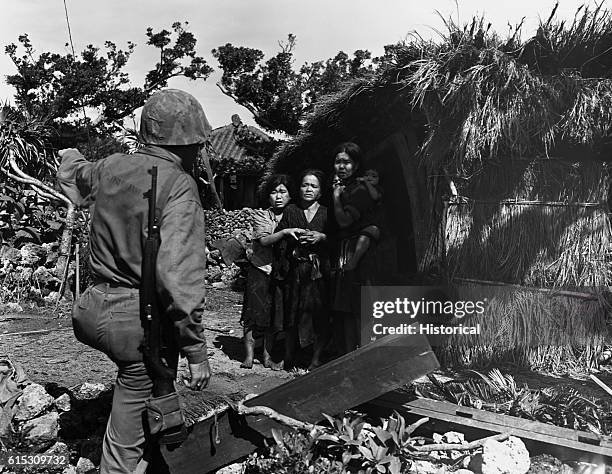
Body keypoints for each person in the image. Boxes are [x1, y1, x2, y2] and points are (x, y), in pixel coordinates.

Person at [57, 89, 212, 474]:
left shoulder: (110, 165)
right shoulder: (179, 186)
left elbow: (75, 171)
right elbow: (178, 277)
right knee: (132, 419)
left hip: (92, 308)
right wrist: (196, 351)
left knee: (145, 389)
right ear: (190, 143)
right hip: (135, 322)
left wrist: (70, 155)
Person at [240, 174, 298, 370]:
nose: (278, 196)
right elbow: (264, 240)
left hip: (281, 272)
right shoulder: (262, 216)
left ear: (290, 195)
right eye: (274, 192)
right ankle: (248, 355)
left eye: (283, 192)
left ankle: (266, 354)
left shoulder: (293, 214)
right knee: (254, 314)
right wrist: (284, 232)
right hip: (260, 268)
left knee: (273, 315)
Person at [274, 170, 330, 370]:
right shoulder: (291, 211)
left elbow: (337, 238)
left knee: (318, 313)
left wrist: (321, 237)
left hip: (317, 272)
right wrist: (291, 237)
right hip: (295, 269)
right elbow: (278, 235)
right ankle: (289, 357)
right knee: (292, 311)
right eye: (305, 185)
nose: (308, 189)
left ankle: (315, 359)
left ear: (321, 191)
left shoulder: (326, 212)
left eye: (313, 186)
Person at [331, 142, 382, 354]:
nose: (341, 167)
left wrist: (335, 198)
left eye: (347, 162)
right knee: (348, 307)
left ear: (356, 164)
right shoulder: (346, 187)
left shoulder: (360, 190)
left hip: (362, 255)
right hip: (348, 250)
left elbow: (343, 221)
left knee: (362, 307)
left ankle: (367, 355)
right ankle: (351, 355)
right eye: (338, 162)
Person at [342, 168, 384, 271]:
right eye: (367, 175)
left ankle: (353, 262)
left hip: (373, 225)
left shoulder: (378, 189)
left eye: (374, 176)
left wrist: (366, 182)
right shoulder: (359, 189)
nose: (370, 177)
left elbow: (375, 196)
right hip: (358, 224)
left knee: (366, 234)